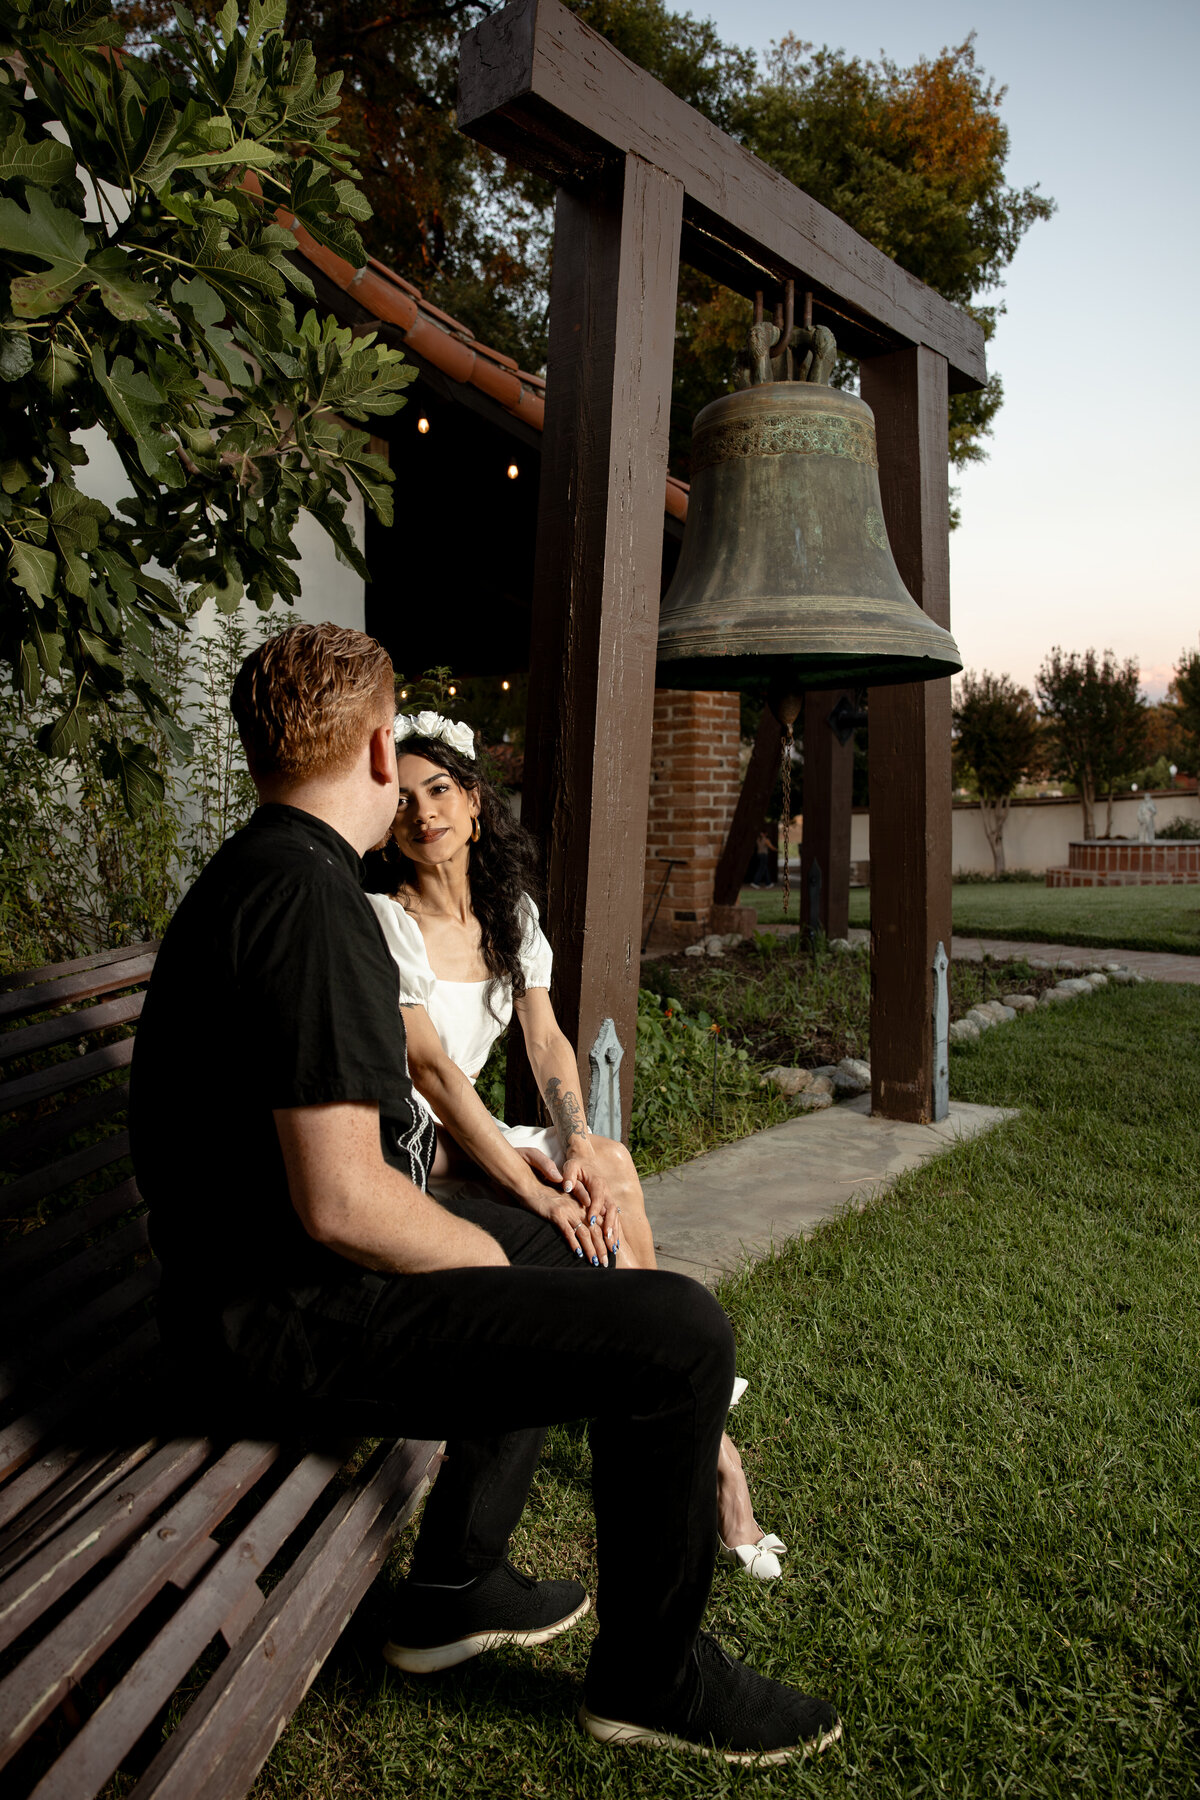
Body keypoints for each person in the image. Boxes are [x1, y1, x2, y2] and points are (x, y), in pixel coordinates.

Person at [129, 623, 840, 1763]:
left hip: (268, 1279)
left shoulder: (282, 870)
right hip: (281, 1312)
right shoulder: (311, 905)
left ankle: (456, 1585)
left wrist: (525, 1228)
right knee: (679, 1332)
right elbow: (343, 1204)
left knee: (576, 1259)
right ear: (378, 751)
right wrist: (491, 1265)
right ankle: (652, 1680)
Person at [363, 709, 787, 1580]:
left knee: (611, 1168)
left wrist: (578, 1139)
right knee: (575, 1212)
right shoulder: (386, 920)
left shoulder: (508, 913)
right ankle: (708, 1441)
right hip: (407, 1145)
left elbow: (547, 1038)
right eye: (402, 800)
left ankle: (678, 1391)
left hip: (468, 1131)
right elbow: (432, 1074)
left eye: (438, 790)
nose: (423, 812)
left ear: (474, 804)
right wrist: (534, 1179)